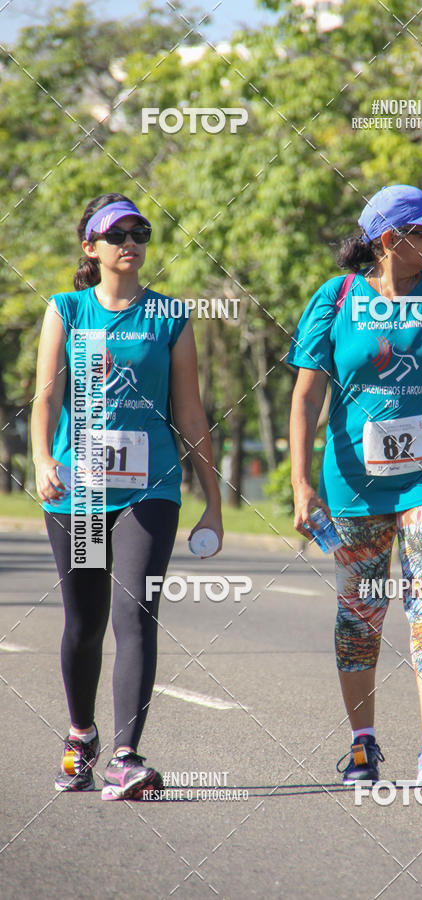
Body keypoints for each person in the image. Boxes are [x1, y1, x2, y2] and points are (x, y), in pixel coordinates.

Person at [288, 184, 422, 784]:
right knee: (361, 612)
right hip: (355, 480)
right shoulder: (336, 298)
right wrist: (301, 485)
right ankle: (363, 744)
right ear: (388, 240)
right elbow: (306, 397)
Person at [31, 193, 223, 799]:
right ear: (91, 247)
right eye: (116, 235)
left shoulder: (170, 316)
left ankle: (125, 755)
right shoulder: (67, 309)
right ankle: (81, 733)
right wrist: (41, 460)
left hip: (151, 486)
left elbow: (190, 412)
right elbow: (46, 397)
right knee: (85, 622)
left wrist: (213, 501)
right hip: (82, 493)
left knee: (136, 611)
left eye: (140, 233)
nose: (130, 243)